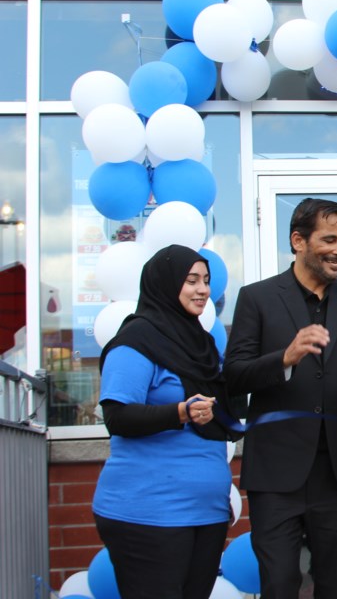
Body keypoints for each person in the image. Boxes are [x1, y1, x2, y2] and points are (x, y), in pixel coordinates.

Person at [224, 198, 337, 599]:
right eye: (330, 239)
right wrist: (284, 358)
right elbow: (233, 376)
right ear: (298, 240)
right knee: (280, 583)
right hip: (277, 474)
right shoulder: (257, 298)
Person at [93, 244, 232, 599]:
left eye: (206, 281)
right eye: (191, 280)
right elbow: (117, 417)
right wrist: (180, 412)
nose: (203, 290)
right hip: (148, 514)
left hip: (206, 513)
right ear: (165, 284)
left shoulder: (202, 345)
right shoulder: (134, 342)